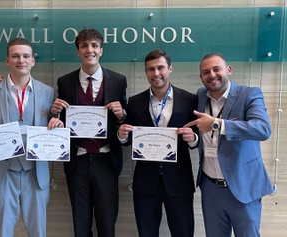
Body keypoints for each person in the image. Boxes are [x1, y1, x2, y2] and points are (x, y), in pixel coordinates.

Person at [0, 37, 63, 237]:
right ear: (7, 60)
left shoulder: (48, 92)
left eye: (25, 56)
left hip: (35, 172)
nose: (20, 60)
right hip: (2, 172)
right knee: (3, 231)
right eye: (15, 56)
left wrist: (57, 125)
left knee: (38, 231)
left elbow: (53, 126)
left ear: (33, 60)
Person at [184, 52, 274, 237]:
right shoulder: (201, 95)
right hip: (210, 188)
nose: (212, 75)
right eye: (206, 72)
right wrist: (193, 139)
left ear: (229, 70)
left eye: (216, 69)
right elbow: (205, 137)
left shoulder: (249, 94)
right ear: (201, 77)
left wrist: (218, 124)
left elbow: (263, 129)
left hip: (243, 186)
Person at [49, 28, 127, 237]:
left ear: (101, 50)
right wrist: (54, 113)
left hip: (107, 160)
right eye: (84, 46)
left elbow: (125, 121)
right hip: (78, 160)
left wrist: (121, 115)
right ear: (78, 51)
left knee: (107, 223)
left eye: (94, 45)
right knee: (80, 224)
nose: (89, 50)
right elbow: (60, 120)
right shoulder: (65, 82)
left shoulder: (118, 81)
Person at [117, 49, 198, 237]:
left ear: (170, 68)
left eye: (160, 68)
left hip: (179, 181)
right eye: (150, 69)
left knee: (183, 232)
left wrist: (193, 139)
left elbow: (197, 137)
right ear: (146, 72)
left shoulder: (190, 100)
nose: (156, 73)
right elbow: (130, 140)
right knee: (146, 233)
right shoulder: (135, 102)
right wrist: (122, 136)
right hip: (146, 182)